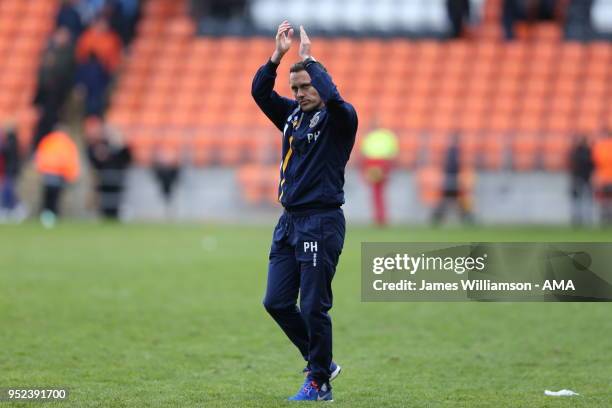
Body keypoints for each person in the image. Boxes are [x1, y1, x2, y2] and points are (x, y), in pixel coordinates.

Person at [251, 21, 357, 402]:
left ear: (319, 85)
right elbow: (260, 93)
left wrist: (310, 61)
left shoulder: (339, 119)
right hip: (289, 222)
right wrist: (277, 57)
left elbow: (336, 98)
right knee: (276, 302)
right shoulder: (293, 118)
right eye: (294, 88)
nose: (298, 94)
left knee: (313, 306)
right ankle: (322, 363)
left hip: (321, 222)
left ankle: (319, 382)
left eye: (305, 87)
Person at [86, 118, 131, 219]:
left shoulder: (120, 146)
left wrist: (120, 146)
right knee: (104, 199)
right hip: (103, 177)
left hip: (117, 177)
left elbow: (126, 159)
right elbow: (94, 160)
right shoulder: (100, 145)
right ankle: (105, 216)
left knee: (115, 199)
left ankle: (114, 216)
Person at [35, 129, 80, 228]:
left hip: (51, 173)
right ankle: (50, 216)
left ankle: (48, 216)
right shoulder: (65, 142)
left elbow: (40, 156)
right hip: (57, 174)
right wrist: (72, 175)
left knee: (50, 197)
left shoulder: (48, 141)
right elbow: (71, 159)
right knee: (53, 198)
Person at [360, 124, 398, 226]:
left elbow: (363, 152)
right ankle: (381, 217)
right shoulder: (387, 136)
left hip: (373, 163)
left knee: (376, 192)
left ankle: (380, 217)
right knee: (379, 192)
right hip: (382, 163)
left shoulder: (370, 136)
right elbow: (393, 152)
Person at [431, 133, 474, 224]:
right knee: (452, 200)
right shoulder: (453, 151)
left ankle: (438, 217)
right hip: (452, 179)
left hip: (453, 178)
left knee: (452, 200)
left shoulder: (453, 151)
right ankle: (466, 217)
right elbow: (451, 166)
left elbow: (452, 166)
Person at [568, 135, 594, 226]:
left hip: (584, 177)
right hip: (581, 177)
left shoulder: (586, 151)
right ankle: (578, 218)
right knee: (579, 199)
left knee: (584, 199)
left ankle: (583, 218)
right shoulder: (582, 151)